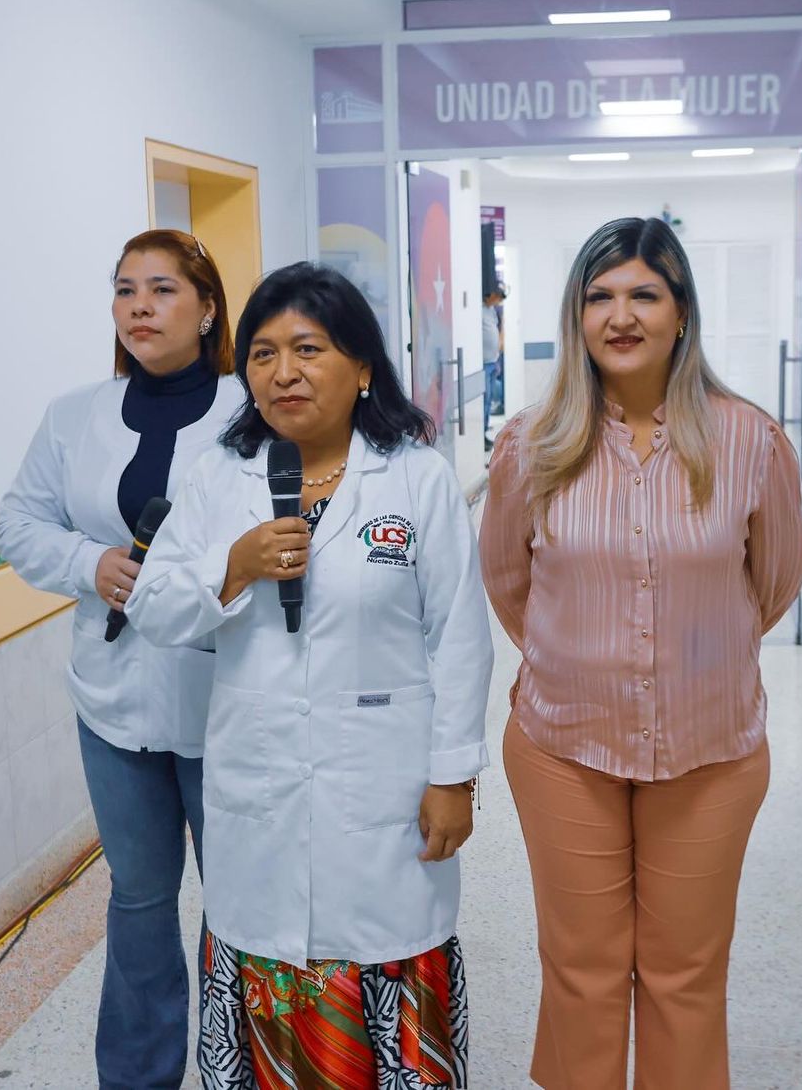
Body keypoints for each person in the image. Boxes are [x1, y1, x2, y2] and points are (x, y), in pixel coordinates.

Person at [125, 261, 493, 1090]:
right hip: (260, 799)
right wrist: (232, 567)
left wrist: (453, 776)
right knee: (266, 970)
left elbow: (462, 640)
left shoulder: (416, 478)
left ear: (361, 367)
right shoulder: (221, 477)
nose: (283, 372)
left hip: (386, 798)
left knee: (388, 964)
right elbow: (152, 608)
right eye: (262, 353)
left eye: (307, 349)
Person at [479, 216, 802, 1089]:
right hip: (565, 746)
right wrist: (588, 658)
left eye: (644, 295)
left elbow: (774, 580)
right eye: (600, 297)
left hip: (709, 748)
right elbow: (508, 582)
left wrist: (687, 659)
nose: (620, 316)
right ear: (577, 316)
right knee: (581, 971)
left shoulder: (749, 440)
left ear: (682, 312)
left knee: (684, 974)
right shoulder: (531, 444)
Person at [0, 230, 243, 1087]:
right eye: (126, 289)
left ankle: (240, 1066)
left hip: (229, 705)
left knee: (240, 904)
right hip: (111, 704)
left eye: (163, 289)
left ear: (207, 309)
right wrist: (87, 563)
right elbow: (19, 522)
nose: (140, 306)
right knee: (139, 900)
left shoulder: (251, 411)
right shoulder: (75, 416)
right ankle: (139, 1075)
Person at [482, 284, 505, 450]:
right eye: (497, 298)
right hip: (482, 364)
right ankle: (481, 435)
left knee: (489, 400)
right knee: (484, 401)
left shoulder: (491, 311)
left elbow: (495, 330)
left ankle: (484, 431)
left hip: (492, 361)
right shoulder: (478, 309)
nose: (498, 302)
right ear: (491, 295)